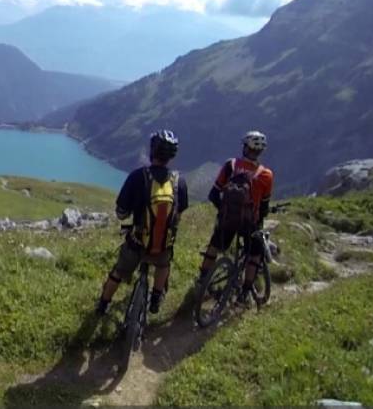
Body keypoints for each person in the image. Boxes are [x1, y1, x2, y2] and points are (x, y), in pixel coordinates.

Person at [96, 130, 190, 316]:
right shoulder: (180, 182)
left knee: (118, 272)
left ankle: (102, 306)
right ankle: (155, 299)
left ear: (152, 150)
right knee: (163, 264)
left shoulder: (137, 176)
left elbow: (121, 213)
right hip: (162, 245)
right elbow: (178, 214)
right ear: (172, 156)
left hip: (137, 242)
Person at [196, 130, 274, 301]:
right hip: (249, 224)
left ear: (245, 147)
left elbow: (213, 195)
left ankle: (203, 278)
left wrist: (224, 211)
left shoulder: (230, 165)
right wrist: (258, 221)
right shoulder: (266, 175)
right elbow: (263, 208)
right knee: (255, 253)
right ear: (260, 152)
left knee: (214, 245)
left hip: (228, 220)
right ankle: (245, 292)